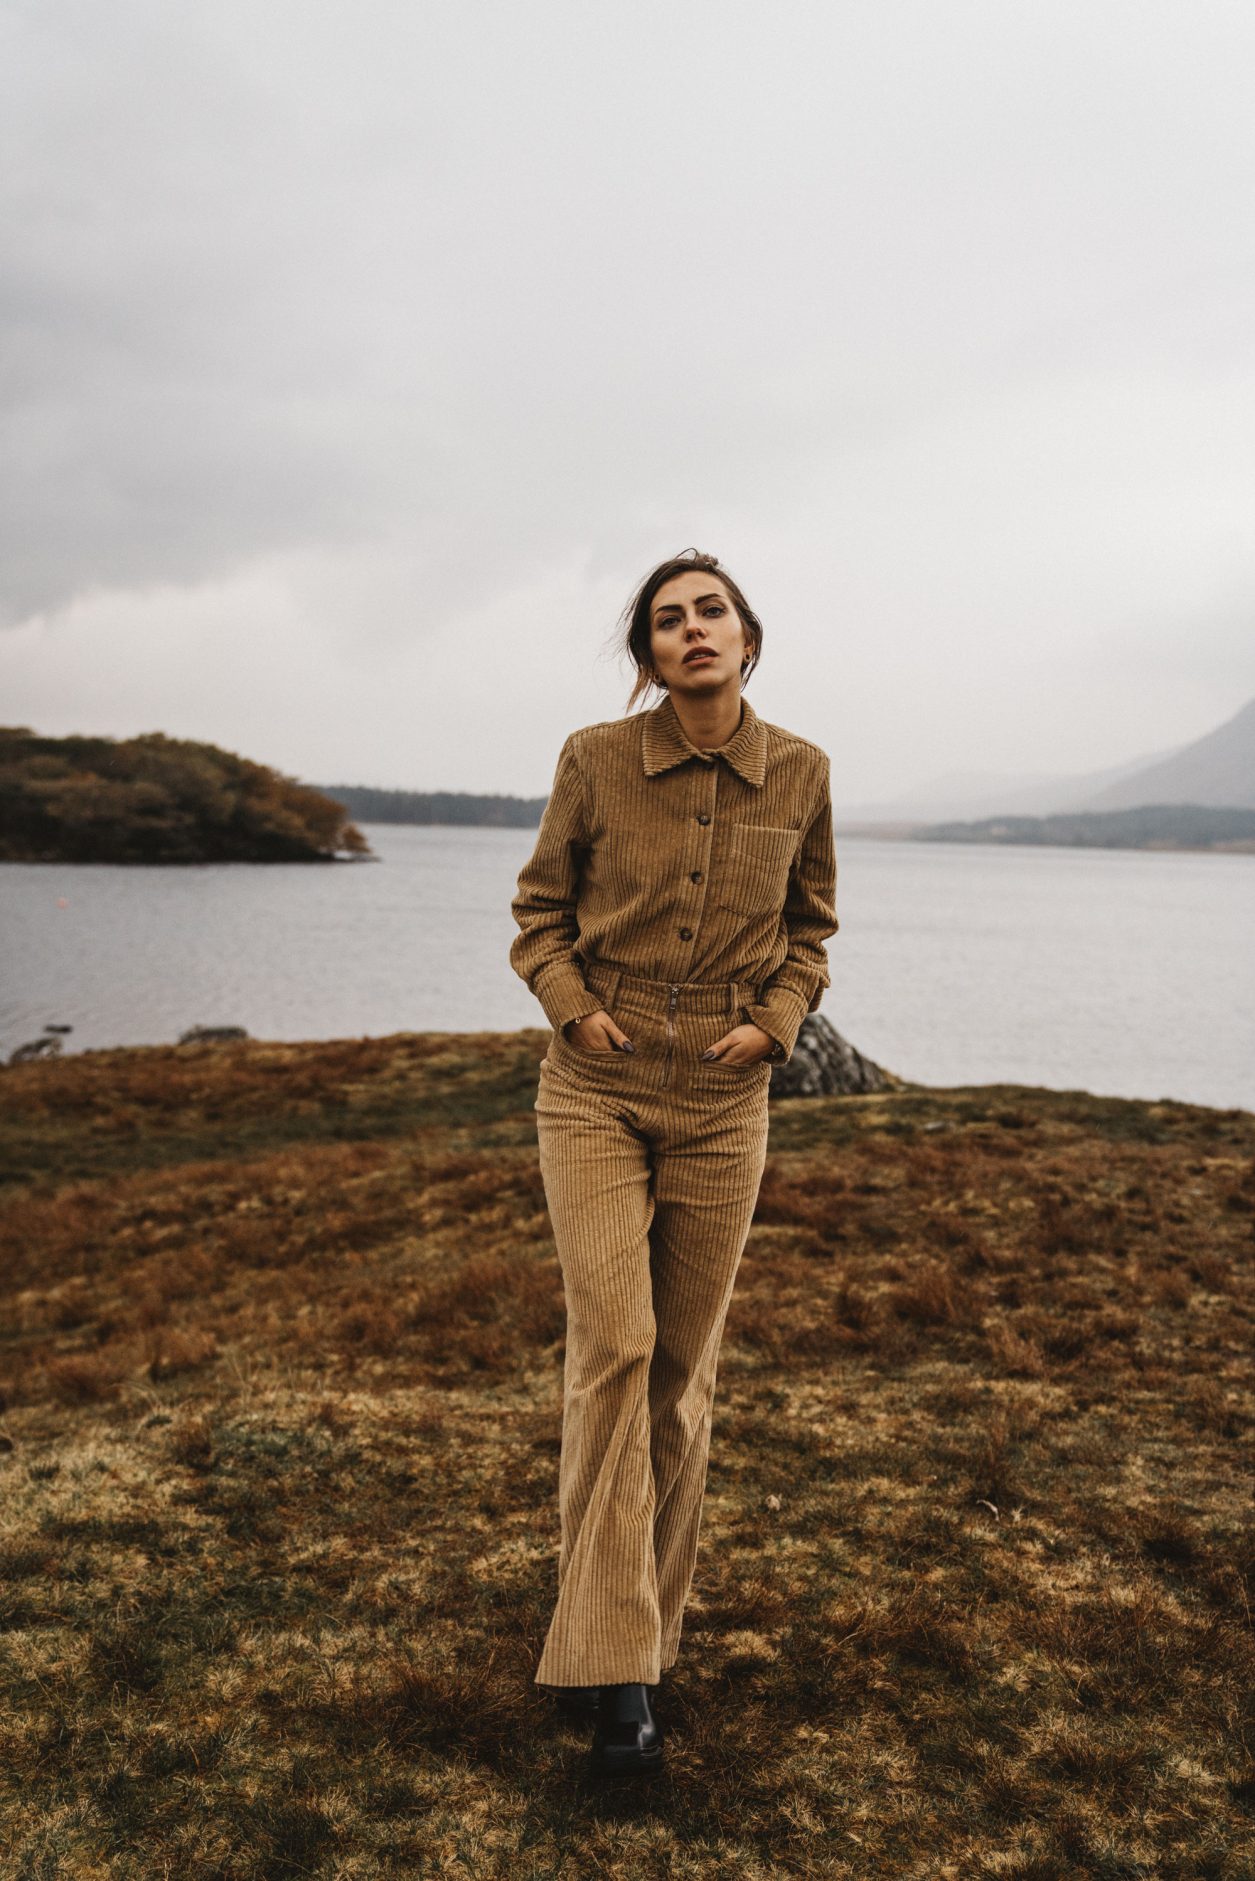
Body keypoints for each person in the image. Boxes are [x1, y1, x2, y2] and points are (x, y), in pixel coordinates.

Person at [509, 548, 839, 1776]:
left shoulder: (800, 770)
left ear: (747, 640)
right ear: (647, 657)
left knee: (682, 1370)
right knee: (616, 1348)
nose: (691, 631)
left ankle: (637, 1630)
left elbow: (811, 928)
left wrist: (778, 1020)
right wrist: (570, 1005)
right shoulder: (594, 759)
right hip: (594, 1084)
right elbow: (538, 912)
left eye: (711, 613)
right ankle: (615, 1677)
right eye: (666, 620)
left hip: (725, 1095)